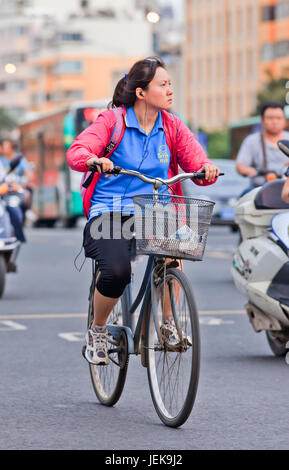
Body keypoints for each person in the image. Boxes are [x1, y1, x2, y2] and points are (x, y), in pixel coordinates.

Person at [67, 56, 220, 365]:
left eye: (170, 84)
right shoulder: (112, 121)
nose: (169, 90)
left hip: (155, 208)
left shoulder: (173, 125)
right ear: (141, 92)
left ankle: (167, 325)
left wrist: (206, 168)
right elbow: (77, 151)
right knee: (117, 271)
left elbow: (195, 163)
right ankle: (98, 330)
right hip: (111, 210)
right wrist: (93, 160)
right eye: (163, 85)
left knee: (175, 250)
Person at [236, 102, 289, 194]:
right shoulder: (252, 141)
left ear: (285, 120)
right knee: (244, 197)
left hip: (286, 188)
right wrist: (250, 171)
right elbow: (240, 165)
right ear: (262, 120)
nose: (275, 122)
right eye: (270, 118)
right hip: (260, 189)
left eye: (279, 118)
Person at [0, 138, 33, 242]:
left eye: (5, 147)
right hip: (3, 190)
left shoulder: (19, 159)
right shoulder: (1, 159)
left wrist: (21, 185)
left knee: (16, 212)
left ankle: (19, 233)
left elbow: (29, 174)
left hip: (13, 191)